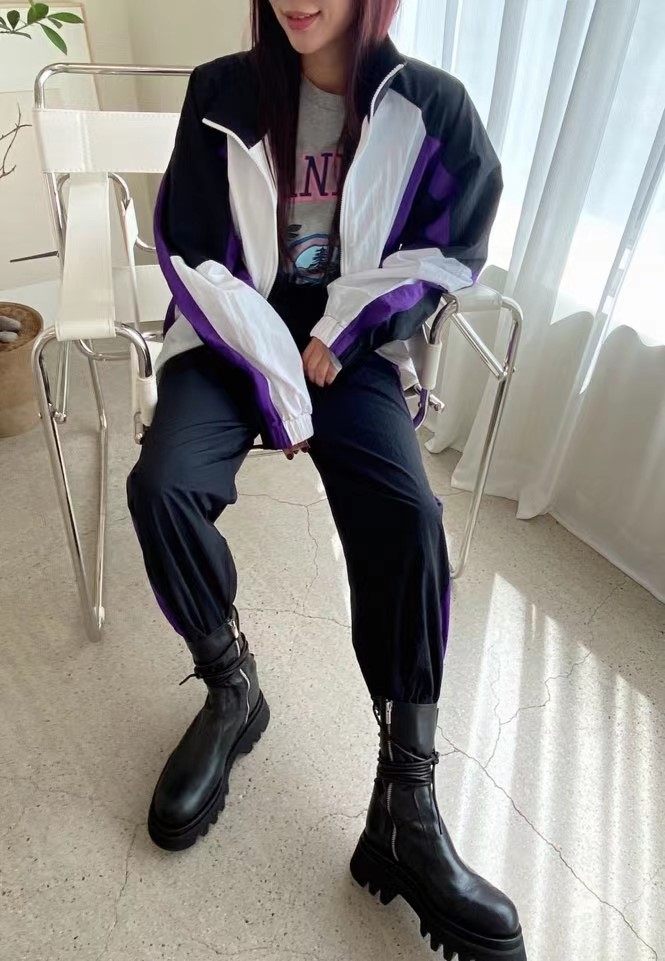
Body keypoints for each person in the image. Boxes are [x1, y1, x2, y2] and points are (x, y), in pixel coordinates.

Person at [127, 1, 526, 958]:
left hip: (348, 349)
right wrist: (272, 364)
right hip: (230, 338)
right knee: (162, 485)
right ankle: (231, 687)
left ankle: (405, 804)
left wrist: (341, 331)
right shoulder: (219, 91)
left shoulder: (432, 106)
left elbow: (447, 249)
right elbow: (190, 246)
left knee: (410, 516)